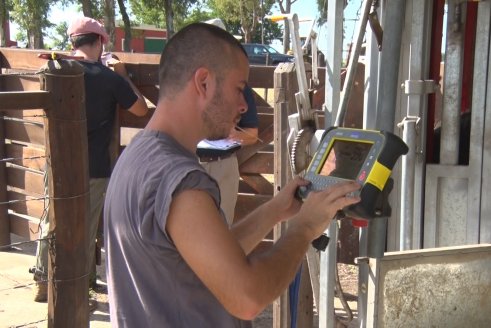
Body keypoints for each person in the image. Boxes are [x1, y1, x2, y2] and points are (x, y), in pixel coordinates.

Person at [104, 22, 360, 327]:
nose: (243, 105)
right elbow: (247, 298)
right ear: (203, 83)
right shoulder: (180, 180)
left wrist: (274, 211)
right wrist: (303, 230)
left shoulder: (140, 156)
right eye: (239, 88)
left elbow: (211, 257)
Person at [31, 16, 148, 303]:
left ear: (73, 42)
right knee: (84, 226)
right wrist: (121, 74)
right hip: (93, 167)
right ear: (99, 43)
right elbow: (141, 110)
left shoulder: (55, 71)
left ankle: (43, 281)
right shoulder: (108, 78)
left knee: (51, 218)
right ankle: (77, 289)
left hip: (56, 163)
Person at [199, 84, 259, 225]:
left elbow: (252, 135)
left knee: (222, 227)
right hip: (186, 162)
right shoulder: (184, 82)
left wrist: (234, 134)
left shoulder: (240, 86)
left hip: (223, 165)